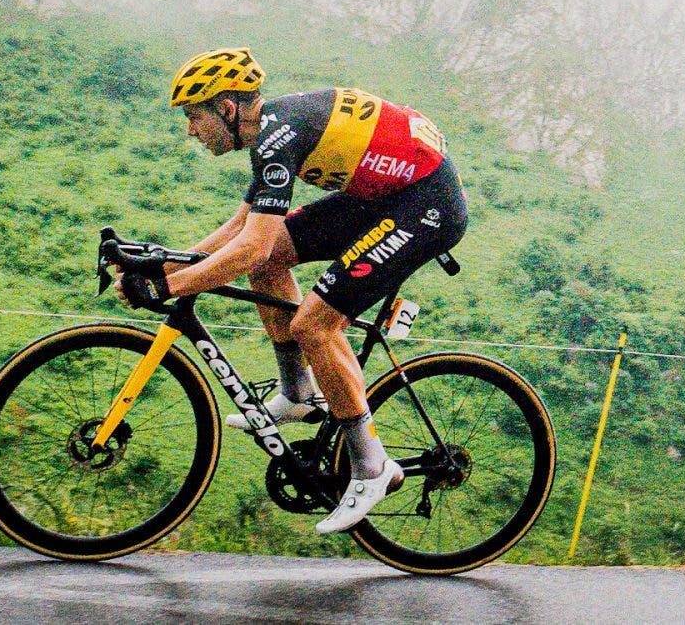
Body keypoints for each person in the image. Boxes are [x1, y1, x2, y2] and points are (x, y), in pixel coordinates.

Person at [115, 47, 468, 534]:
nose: (190, 130)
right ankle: (299, 393)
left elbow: (248, 249)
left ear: (227, 108)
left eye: (194, 116)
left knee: (314, 324)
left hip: (426, 207)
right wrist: (162, 261)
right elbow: (245, 231)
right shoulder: (272, 131)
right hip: (381, 198)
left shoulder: (279, 134)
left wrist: (167, 284)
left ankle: (371, 467)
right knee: (275, 256)